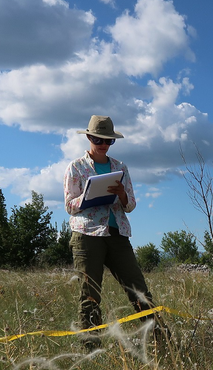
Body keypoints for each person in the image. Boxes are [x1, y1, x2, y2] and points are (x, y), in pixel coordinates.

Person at [64, 115, 156, 349]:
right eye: (98, 139)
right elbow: (69, 206)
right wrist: (87, 197)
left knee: (139, 291)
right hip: (87, 236)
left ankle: (159, 341)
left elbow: (131, 205)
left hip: (117, 234)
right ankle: (91, 350)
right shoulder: (76, 167)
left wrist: (122, 195)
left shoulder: (120, 167)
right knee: (90, 296)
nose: (103, 144)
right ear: (88, 137)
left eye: (108, 141)